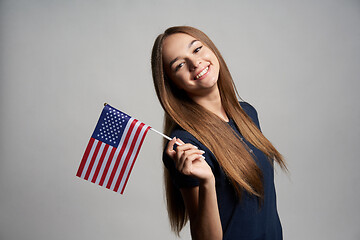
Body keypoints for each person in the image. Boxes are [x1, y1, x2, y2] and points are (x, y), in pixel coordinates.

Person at [151, 26, 287, 240]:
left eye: (196, 50)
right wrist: (206, 183)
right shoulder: (185, 144)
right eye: (179, 65)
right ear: (173, 84)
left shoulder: (247, 113)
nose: (195, 63)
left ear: (211, 49)